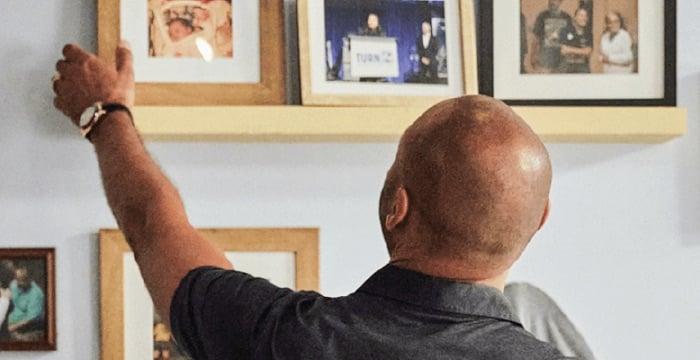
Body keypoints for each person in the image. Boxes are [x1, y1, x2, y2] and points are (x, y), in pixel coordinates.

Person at [52, 42, 572, 359]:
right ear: (540, 221)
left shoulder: (288, 339)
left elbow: (153, 226)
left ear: (397, 206)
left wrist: (105, 115)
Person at [531, 0, 572, 73]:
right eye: (550, 0)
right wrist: (533, 56)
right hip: (545, 61)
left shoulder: (567, 17)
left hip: (561, 62)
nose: (552, 2)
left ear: (560, 2)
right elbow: (535, 38)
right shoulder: (542, 16)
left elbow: (571, 38)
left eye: (555, 0)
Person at [8, 265, 45, 341]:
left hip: (28, 327)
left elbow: (29, 319)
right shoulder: (14, 284)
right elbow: (10, 297)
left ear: (30, 278)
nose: (19, 283)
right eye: (17, 278)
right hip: (11, 320)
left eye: (23, 279)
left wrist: (11, 327)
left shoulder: (36, 294)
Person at [558, 7, 593, 74]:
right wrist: (582, 51)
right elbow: (563, 50)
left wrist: (569, 49)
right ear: (575, 17)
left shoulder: (588, 33)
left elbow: (588, 52)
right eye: (581, 15)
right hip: (567, 65)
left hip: (582, 66)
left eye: (586, 16)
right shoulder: (565, 30)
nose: (584, 18)